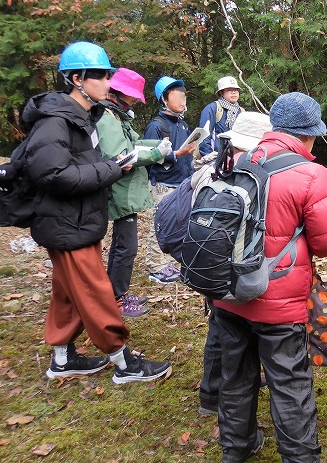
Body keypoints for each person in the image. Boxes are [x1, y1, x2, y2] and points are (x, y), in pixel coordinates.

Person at [23, 41, 171, 384]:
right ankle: (124, 363)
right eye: (102, 76)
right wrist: (111, 170)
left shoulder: (81, 119)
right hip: (66, 223)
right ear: (77, 78)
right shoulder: (55, 123)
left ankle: (63, 359)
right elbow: (50, 174)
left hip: (76, 220)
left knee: (67, 292)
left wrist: (109, 166)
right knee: (95, 292)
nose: (109, 84)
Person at [213, 92, 327, 463]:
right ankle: (300, 458)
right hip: (280, 302)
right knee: (289, 384)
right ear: (308, 136)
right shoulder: (311, 174)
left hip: (228, 292)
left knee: (236, 377)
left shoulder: (239, 160)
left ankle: (236, 449)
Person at [192, 111, 274, 417]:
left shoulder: (214, 167)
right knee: (225, 329)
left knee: (219, 326)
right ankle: (216, 394)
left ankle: (210, 394)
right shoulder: (252, 173)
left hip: (204, 260)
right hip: (233, 266)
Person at [96, 68, 172, 317]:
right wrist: (156, 153)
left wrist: (155, 146)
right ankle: (116, 298)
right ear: (120, 93)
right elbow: (119, 155)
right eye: (132, 97)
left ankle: (114, 294)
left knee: (123, 244)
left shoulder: (117, 116)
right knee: (126, 246)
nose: (135, 101)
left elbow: (132, 144)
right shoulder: (107, 117)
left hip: (125, 189)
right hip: (120, 189)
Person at [142, 76, 198, 284]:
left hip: (181, 181)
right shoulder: (157, 126)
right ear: (164, 99)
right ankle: (155, 266)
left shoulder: (182, 123)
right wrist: (178, 154)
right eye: (177, 95)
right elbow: (149, 157)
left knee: (178, 222)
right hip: (163, 183)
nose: (183, 99)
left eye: (184, 95)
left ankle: (167, 262)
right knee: (161, 223)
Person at [198, 76, 245, 157]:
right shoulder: (213, 108)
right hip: (215, 157)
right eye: (229, 89)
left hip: (236, 158)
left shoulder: (241, 111)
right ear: (221, 92)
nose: (233, 92)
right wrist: (209, 158)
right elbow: (204, 136)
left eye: (236, 90)